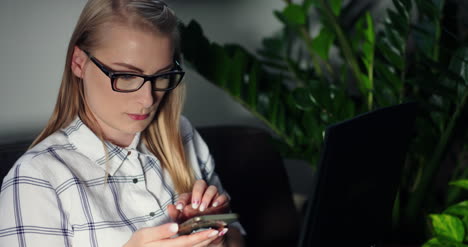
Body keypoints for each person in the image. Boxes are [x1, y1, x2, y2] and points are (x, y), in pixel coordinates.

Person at [0, 0, 245, 246]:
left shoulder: (183, 134)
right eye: (126, 75)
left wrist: (215, 236)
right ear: (78, 62)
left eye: (162, 76)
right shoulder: (38, 178)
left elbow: (237, 238)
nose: (148, 99)